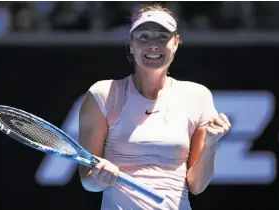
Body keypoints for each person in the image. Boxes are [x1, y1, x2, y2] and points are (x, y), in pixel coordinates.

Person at [78, 4, 231, 210]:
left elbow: (197, 184)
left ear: (176, 43)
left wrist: (211, 144)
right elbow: (88, 183)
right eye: (143, 36)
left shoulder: (198, 96)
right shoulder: (102, 94)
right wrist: (101, 176)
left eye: (162, 36)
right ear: (131, 45)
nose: (153, 45)